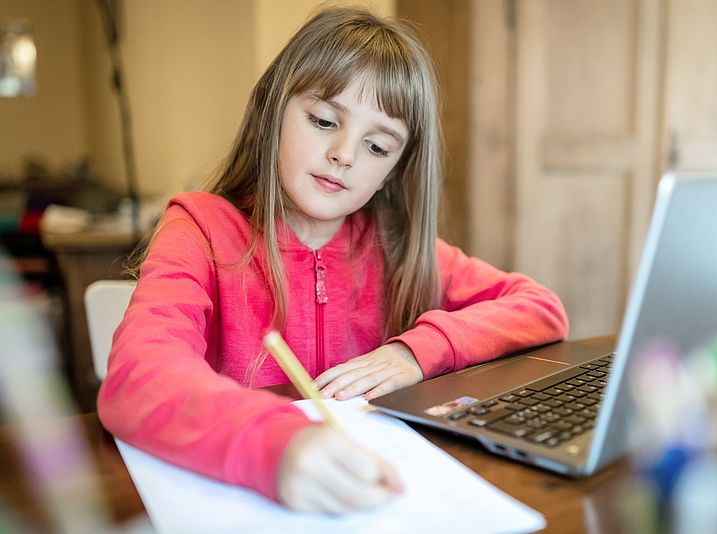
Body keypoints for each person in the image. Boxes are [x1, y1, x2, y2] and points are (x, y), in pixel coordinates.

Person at [97, 7, 568, 515]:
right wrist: (274, 444)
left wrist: (417, 351)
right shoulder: (199, 228)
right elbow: (138, 375)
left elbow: (540, 307)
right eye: (324, 120)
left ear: (393, 171)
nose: (345, 154)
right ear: (272, 112)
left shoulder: (396, 245)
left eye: (377, 145)